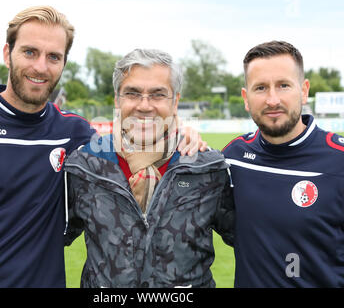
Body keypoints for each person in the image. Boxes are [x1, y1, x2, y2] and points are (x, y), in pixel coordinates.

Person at [0, 6, 205, 287]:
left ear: (64, 63)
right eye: (30, 52)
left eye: (54, 57)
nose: (41, 67)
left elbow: (134, 148)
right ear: (8, 54)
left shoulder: (74, 132)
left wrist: (181, 135)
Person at [64, 49, 235, 288]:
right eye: (132, 93)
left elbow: (253, 245)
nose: (144, 106)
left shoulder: (207, 168)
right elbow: (48, 240)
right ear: (117, 99)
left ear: (175, 101)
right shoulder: (85, 167)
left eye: (158, 95)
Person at [222, 40, 344, 287]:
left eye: (283, 85)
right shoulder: (232, 157)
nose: (272, 100)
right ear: (246, 98)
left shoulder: (339, 160)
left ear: (304, 90)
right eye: (260, 88)